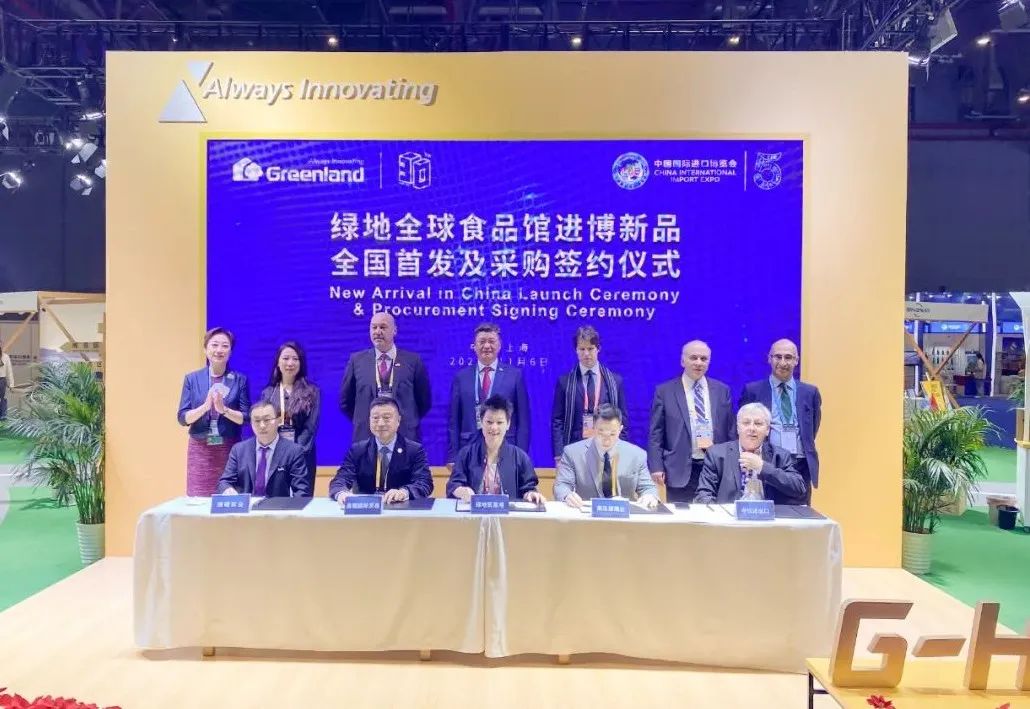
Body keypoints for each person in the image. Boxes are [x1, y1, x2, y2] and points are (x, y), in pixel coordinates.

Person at [647, 340, 735, 503]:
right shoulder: (665, 391)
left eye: (704, 359)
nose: (698, 363)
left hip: (714, 467)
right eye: (693, 358)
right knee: (681, 517)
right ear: (682, 361)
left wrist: (731, 465)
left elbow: (730, 430)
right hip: (678, 468)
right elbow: (656, 433)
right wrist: (656, 466)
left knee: (715, 515)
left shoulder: (722, 391)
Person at [739, 338, 822, 504]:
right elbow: (744, 425)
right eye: (778, 357)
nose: (783, 362)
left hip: (800, 465)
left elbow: (812, 428)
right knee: (767, 511)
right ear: (769, 359)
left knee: (798, 515)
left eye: (788, 357)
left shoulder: (810, 392)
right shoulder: (753, 390)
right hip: (768, 463)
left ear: (796, 360)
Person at [177, 327, 251, 496]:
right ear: (205, 349)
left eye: (225, 346)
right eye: (214, 345)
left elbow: (246, 418)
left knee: (228, 498)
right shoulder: (192, 379)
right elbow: (182, 417)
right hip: (200, 448)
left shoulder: (240, 380)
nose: (219, 350)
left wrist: (224, 410)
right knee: (199, 499)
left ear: (230, 352)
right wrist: (205, 407)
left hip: (229, 448)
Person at [340, 313, 431, 443]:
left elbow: (424, 402)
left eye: (383, 327)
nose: (378, 332)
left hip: (404, 436)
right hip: (366, 437)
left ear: (394, 330)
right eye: (374, 327)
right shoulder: (357, 361)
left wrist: (403, 420)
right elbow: (345, 402)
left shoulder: (413, 361)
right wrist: (365, 420)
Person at [694, 403, 808, 505]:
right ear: (738, 428)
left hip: (768, 519)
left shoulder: (780, 455)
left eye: (758, 424)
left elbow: (799, 488)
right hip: (730, 519)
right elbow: (704, 495)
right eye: (746, 423)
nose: (752, 428)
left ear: (767, 430)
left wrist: (762, 467)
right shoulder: (717, 454)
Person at [448, 323, 529, 465]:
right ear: (474, 346)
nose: (486, 346)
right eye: (482, 342)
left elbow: (523, 420)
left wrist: (521, 455)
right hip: (469, 451)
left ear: (499, 345)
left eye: (491, 341)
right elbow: (454, 420)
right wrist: (453, 456)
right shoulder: (461, 377)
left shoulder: (514, 376)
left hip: (505, 450)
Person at [329, 396, 433, 504]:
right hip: (367, 509)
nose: (381, 423)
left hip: (401, 509)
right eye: (375, 418)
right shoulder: (358, 450)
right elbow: (339, 480)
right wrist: (341, 493)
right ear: (369, 420)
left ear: (398, 420)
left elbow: (424, 483)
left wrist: (404, 492)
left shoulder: (414, 450)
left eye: (386, 418)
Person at [554, 404, 660, 509]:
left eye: (612, 434)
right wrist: (567, 495)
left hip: (624, 515)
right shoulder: (573, 453)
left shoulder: (637, 455)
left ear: (620, 429)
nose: (606, 440)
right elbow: (562, 485)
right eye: (601, 433)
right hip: (587, 514)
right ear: (593, 427)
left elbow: (648, 487)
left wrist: (649, 496)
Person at [550, 325, 629, 464]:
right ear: (576, 350)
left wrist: (619, 451)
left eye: (590, 349)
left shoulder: (615, 382)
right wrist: (559, 455)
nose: (586, 354)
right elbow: (557, 421)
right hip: (574, 450)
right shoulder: (564, 382)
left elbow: (622, 420)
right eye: (582, 349)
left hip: (607, 450)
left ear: (598, 349)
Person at [447, 394, 546, 503]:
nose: (494, 427)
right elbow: (453, 485)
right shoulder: (466, 454)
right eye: (489, 422)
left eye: (499, 422)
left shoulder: (520, 457)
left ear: (508, 424)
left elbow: (529, 487)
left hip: (508, 513)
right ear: (481, 422)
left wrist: (530, 493)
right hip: (473, 512)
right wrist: (461, 490)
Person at [217, 401, 311, 497]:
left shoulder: (293, 451)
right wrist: (227, 489)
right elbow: (224, 482)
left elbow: (302, 491)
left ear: (279, 420)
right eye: (257, 421)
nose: (262, 425)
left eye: (267, 420)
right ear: (251, 423)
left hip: (278, 506)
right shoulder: (239, 450)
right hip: (247, 505)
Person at [261, 341, 320, 494]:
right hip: (275, 454)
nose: (290, 363)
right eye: (286, 358)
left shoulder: (312, 391)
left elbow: (310, 427)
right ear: (278, 362)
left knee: (302, 498)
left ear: (301, 363)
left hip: (303, 454)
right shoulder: (268, 393)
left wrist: (295, 451)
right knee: (277, 498)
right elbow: (265, 425)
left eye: (295, 359)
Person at [0, 341, 13, 420]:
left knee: (3, 398)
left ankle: (3, 416)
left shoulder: (5, 357)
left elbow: (9, 371)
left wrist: (11, 384)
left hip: (2, 380)